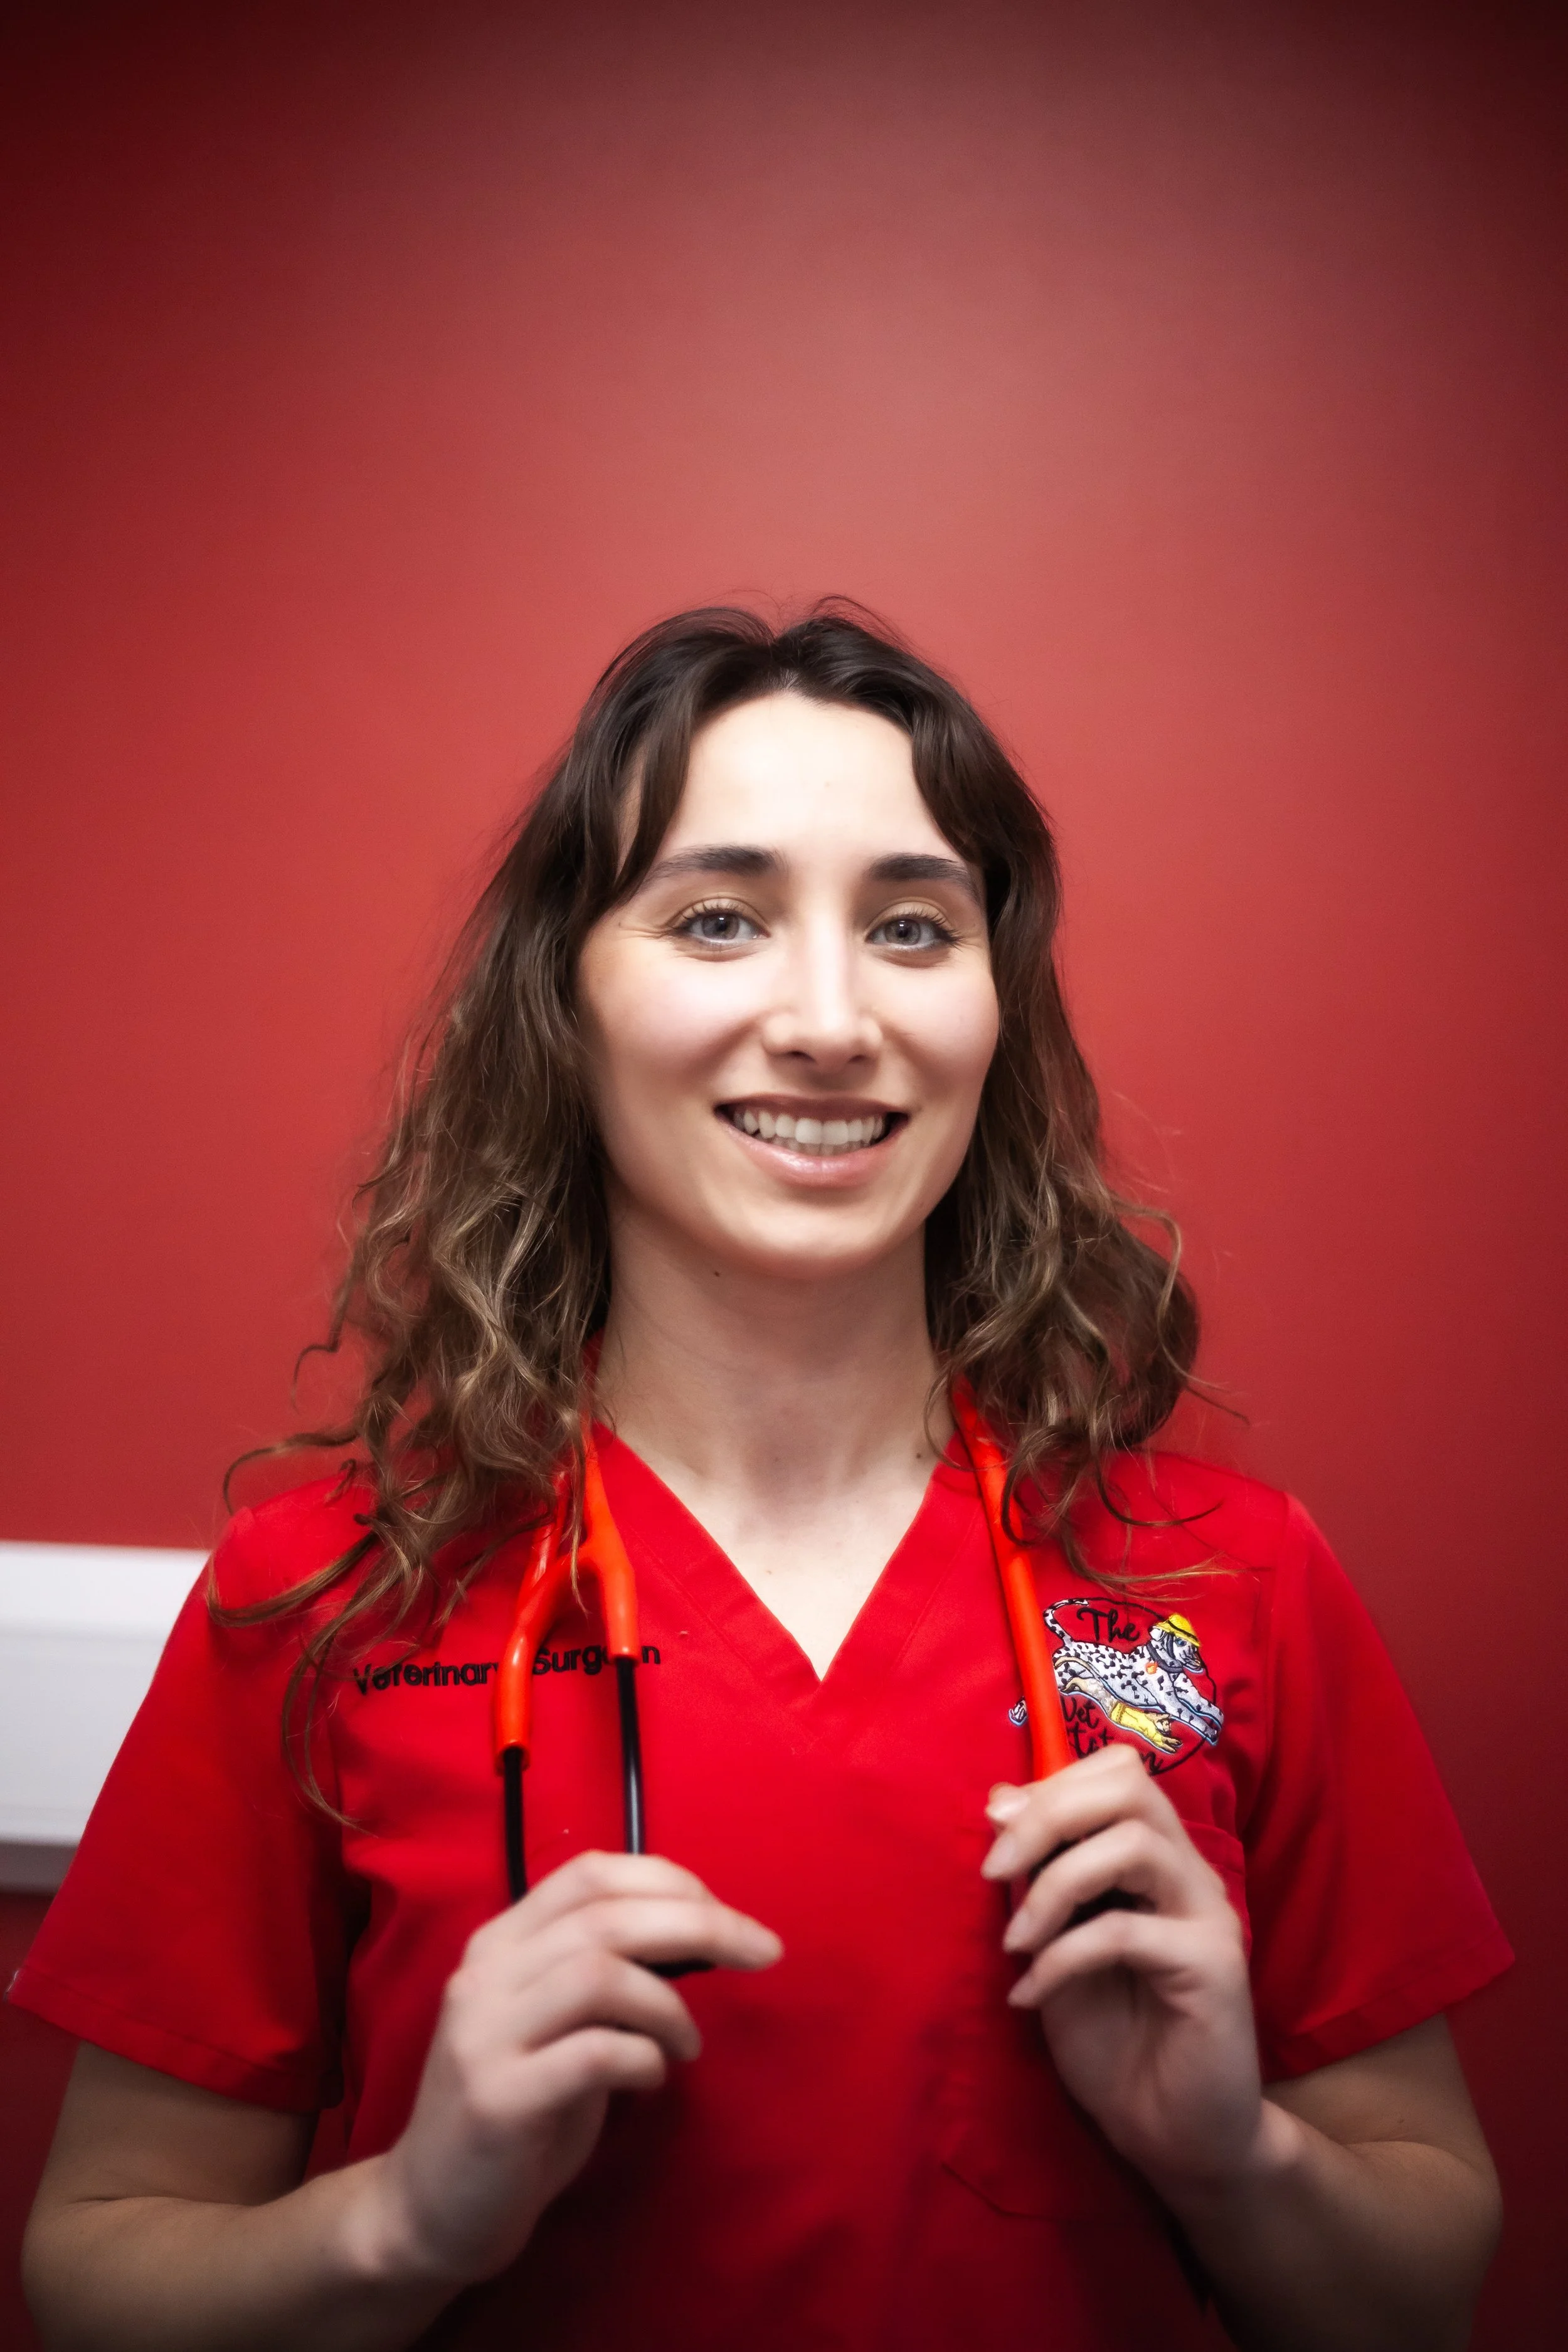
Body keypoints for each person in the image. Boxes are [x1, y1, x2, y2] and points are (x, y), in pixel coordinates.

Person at [16, 607, 1509, 2352]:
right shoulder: (331, 1593)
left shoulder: (1221, 1578)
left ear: (990, 1015)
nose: (827, 1018)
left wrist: (1229, 2155)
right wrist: (408, 2218)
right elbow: (94, 2268)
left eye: (909, 927)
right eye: (718, 919)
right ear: (564, 1004)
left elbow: (1422, 2287)